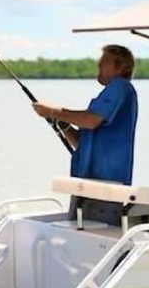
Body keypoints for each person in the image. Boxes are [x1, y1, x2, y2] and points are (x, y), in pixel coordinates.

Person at [32, 44, 138, 226]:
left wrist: (53, 111)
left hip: (106, 185)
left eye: (105, 61)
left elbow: (91, 120)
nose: (99, 65)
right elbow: (81, 142)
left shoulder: (120, 87)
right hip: (86, 184)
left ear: (120, 67)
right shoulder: (109, 95)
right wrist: (65, 126)